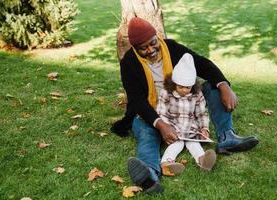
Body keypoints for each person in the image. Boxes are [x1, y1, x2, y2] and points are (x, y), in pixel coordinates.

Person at [110, 17, 259, 194]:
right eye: (144, 48)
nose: (151, 50)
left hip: (183, 104)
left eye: (153, 43)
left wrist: (224, 85)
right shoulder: (129, 63)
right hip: (152, 112)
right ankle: (150, 173)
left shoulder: (171, 48)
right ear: (135, 48)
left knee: (213, 86)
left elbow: (202, 63)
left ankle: (227, 137)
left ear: (157, 37)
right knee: (146, 132)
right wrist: (160, 123)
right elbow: (137, 100)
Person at [157, 53, 216, 176]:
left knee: (194, 143)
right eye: (181, 87)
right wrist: (168, 129)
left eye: (188, 87)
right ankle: (166, 164)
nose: (184, 90)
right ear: (174, 83)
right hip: (173, 129)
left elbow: (202, 113)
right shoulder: (166, 92)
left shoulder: (197, 93)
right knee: (176, 145)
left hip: (191, 130)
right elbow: (161, 112)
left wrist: (204, 128)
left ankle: (203, 160)